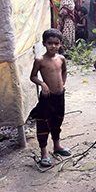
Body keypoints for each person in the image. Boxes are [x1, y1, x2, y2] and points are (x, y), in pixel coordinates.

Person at [30, 28, 71, 167]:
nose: (53, 46)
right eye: (50, 43)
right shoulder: (40, 60)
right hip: (47, 98)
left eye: (56, 43)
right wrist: (43, 84)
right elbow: (33, 76)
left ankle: (57, 146)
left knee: (57, 121)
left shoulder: (61, 58)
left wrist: (63, 83)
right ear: (44, 43)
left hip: (60, 96)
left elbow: (64, 71)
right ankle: (44, 153)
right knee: (43, 124)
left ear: (60, 44)